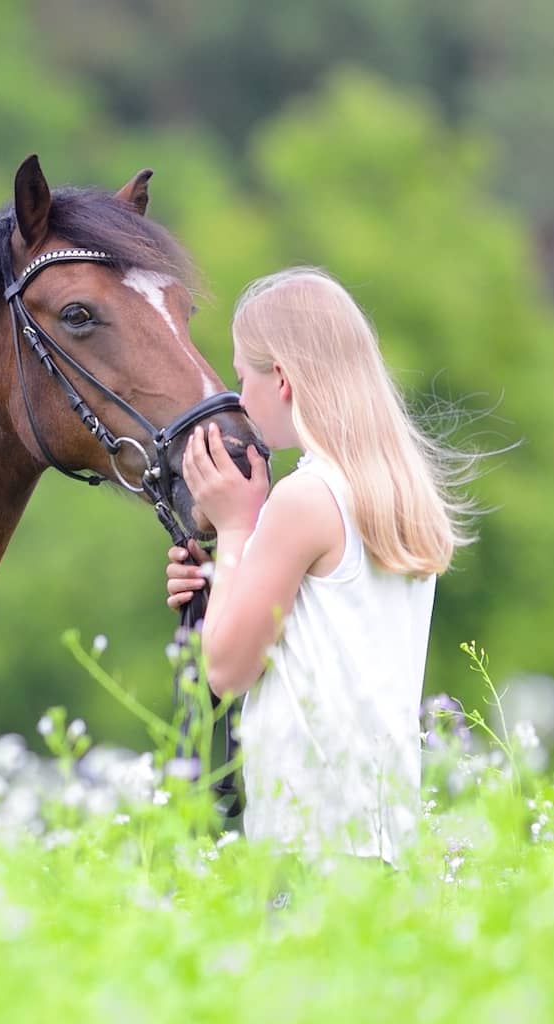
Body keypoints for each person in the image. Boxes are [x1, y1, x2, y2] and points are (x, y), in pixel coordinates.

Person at [164, 267, 473, 862]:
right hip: (383, 839)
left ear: (281, 378)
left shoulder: (304, 500)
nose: (239, 399)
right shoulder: (395, 493)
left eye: (241, 376)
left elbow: (226, 669)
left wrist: (235, 527)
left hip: (310, 845)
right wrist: (224, 575)